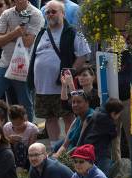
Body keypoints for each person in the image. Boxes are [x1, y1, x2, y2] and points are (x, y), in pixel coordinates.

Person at [0, 0, 43, 130]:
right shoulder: (6, 13)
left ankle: (27, 134)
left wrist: (6, 36)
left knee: (25, 103)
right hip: (4, 64)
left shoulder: (36, 14)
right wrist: (15, 33)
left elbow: (28, 42)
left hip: (24, 65)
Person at [28, 0, 88, 143]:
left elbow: (82, 56)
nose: (50, 14)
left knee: (68, 117)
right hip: (42, 87)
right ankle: (55, 147)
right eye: (47, 12)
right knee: (50, 118)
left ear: (63, 13)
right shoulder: (41, 33)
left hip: (63, 86)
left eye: (53, 11)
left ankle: (70, 147)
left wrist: (70, 73)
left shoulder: (73, 32)